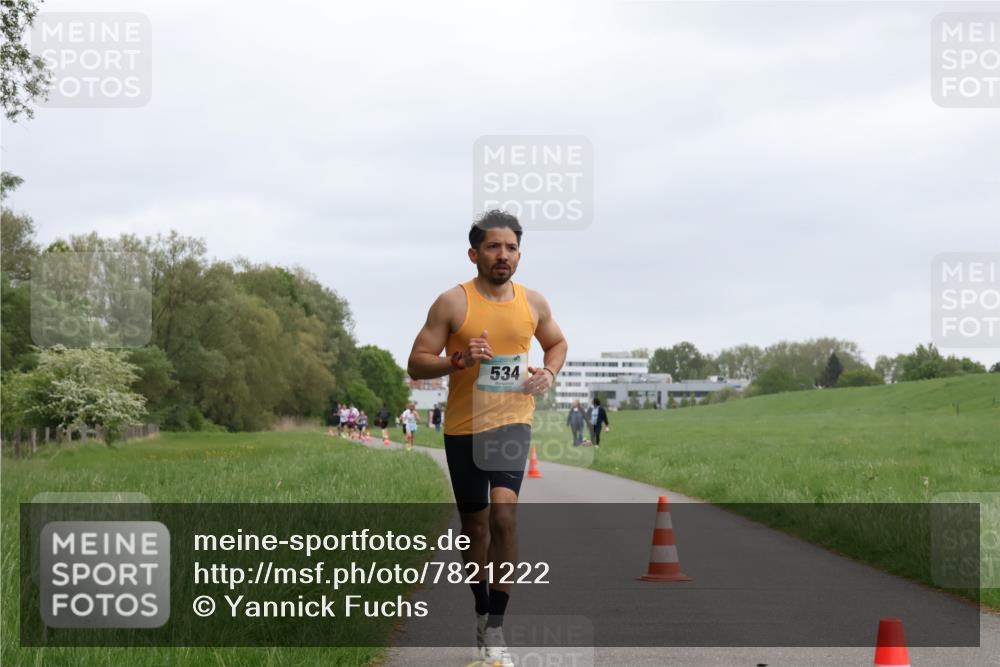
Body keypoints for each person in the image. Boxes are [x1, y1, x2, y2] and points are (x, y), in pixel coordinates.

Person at [406, 210, 568, 667]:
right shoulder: (452, 303)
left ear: (520, 253)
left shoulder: (533, 303)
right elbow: (416, 362)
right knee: (474, 528)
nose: (503, 255)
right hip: (462, 427)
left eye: (511, 247)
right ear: (474, 253)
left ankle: (496, 626)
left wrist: (548, 373)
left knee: (504, 515)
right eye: (494, 247)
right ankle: (481, 614)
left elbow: (557, 343)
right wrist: (457, 360)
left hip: (512, 421)